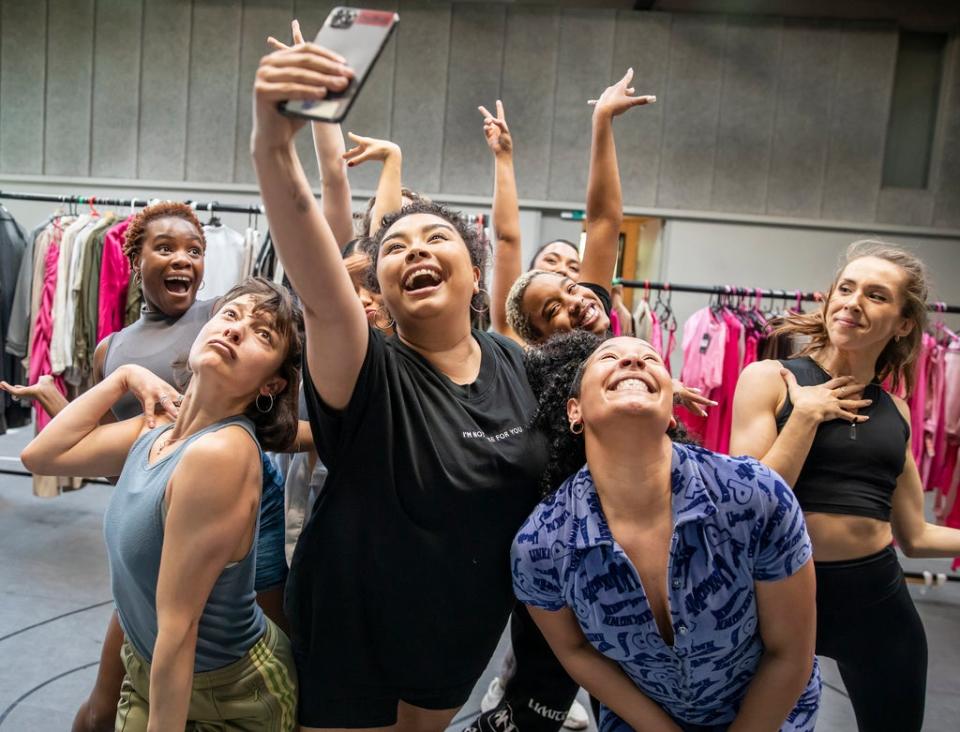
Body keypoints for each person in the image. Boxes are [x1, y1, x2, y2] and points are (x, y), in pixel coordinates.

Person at [252, 41, 549, 732]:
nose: (414, 248)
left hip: (464, 624)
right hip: (355, 634)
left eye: (435, 236)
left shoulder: (516, 362)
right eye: (394, 247)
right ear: (376, 285)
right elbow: (317, 281)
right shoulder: (367, 369)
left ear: (475, 276)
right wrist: (272, 141)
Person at [1, 202, 295, 732]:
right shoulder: (151, 419)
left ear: (272, 383)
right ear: (135, 260)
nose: (233, 329)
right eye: (230, 317)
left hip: (225, 688)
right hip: (150, 640)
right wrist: (123, 378)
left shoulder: (219, 451)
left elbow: (180, 633)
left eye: (262, 334)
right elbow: (40, 456)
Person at [512, 332, 820, 732]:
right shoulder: (541, 545)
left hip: (772, 715)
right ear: (575, 411)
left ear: (671, 411)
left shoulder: (753, 495)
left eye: (650, 358)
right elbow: (574, 650)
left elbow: (790, 653)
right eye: (609, 356)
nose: (633, 361)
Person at [730, 240, 960, 732]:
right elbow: (745, 508)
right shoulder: (770, 379)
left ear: (902, 323)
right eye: (846, 288)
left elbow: (915, 537)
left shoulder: (895, 409)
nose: (853, 302)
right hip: (777, 597)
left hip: (876, 599)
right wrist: (805, 417)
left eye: (876, 296)